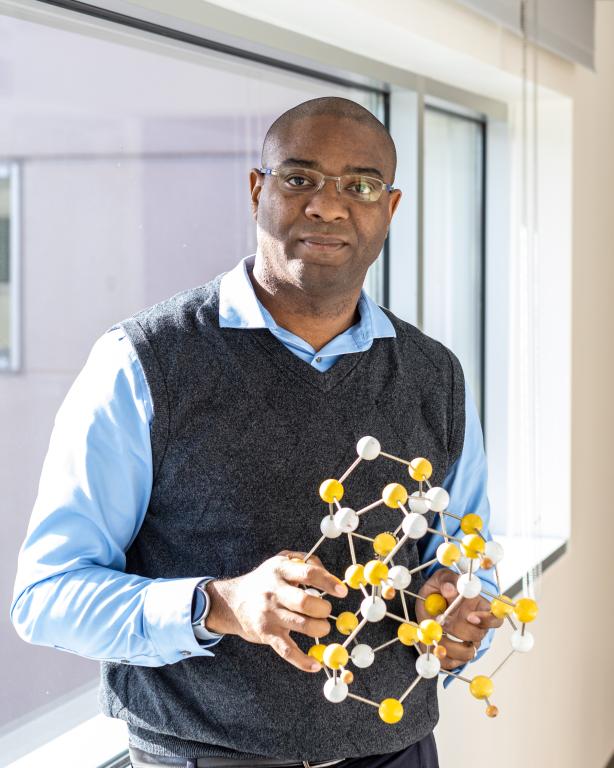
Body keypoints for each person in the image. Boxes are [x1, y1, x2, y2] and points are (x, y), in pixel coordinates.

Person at [11, 97, 503, 768]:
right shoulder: (144, 362)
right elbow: (46, 597)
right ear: (256, 191)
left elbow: (468, 557)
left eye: (358, 186)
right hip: (202, 757)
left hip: (399, 749)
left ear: (389, 210)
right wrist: (222, 604)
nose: (327, 206)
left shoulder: (434, 375)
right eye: (299, 178)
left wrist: (457, 602)